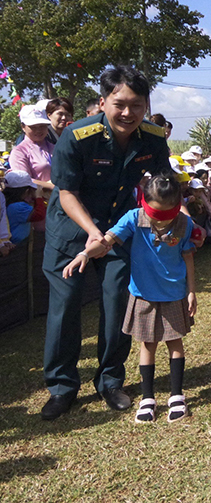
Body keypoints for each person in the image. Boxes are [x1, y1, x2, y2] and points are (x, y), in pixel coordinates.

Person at [40, 65, 171, 421]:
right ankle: (61, 388)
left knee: (118, 303)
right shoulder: (77, 136)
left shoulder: (154, 138)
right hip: (70, 230)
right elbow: (66, 193)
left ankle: (111, 381)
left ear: (146, 106)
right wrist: (93, 234)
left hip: (119, 230)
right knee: (65, 307)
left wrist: (178, 216)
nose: (128, 113)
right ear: (103, 102)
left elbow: (161, 185)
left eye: (137, 105)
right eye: (119, 103)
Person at [61, 172, 196, 423]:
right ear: (144, 203)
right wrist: (85, 254)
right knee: (147, 345)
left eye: (167, 213)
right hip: (143, 294)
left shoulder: (184, 224)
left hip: (174, 294)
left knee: (175, 343)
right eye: (156, 213)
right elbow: (106, 241)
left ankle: (177, 395)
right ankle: (148, 398)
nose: (162, 220)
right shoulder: (134, 218)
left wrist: (191, 291)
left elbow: (188, 257)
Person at [9, 103, 55, 195]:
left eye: (42, 126)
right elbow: (23, 180)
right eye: (33, 127)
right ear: (23, 127)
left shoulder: (54, 147)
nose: (38, 130)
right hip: (38, 202)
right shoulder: (19, 152)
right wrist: (52, 186)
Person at [4, 170, 46, 243]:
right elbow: (39, 215)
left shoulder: (8, 202)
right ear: (26, 191)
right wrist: (38, 197)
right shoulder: (18, 207)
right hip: (16, 244)